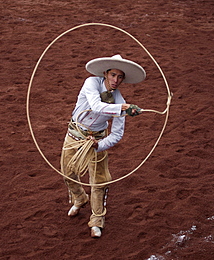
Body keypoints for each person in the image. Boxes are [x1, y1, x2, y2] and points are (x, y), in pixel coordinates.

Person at [60, 54, 145, 238]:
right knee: (68, 173)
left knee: (99, 180)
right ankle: (80, 197)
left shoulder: (120, 100)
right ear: (105, 73)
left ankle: (97, 219)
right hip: (74, 135)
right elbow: (96, 106)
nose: (116, 80)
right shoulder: (91, 83)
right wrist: (121, 108)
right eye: (113, 75)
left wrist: (98, 145)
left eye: (120, 77)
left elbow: (117, 134)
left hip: (96, 140)